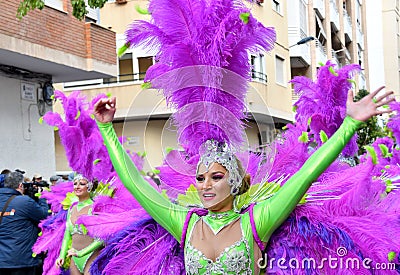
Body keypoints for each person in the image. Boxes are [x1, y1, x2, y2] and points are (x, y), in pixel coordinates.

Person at [93, 86, 394, 274]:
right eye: (200, 178)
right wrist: (107, 129)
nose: (205, 185)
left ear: (234, 182)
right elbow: (135, 184)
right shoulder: (183, 223)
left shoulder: (257, 220)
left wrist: (350, 124)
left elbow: (306, 174)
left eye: (216, 177)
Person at [0, 171, 49, 275]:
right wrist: (42, 198)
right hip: (21, 261)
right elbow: (44, 216)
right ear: (20, 185)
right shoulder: (24, 202)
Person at [55, 174, 103, 275]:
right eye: (75, 184)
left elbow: (101, 238)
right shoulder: (72, 208)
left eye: (81, 184)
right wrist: (62, 255)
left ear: (89, 187)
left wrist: (81, 253)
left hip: (92, 256)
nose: (77, 187)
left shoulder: (95, 208)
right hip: (75, 259)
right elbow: (67, 235)